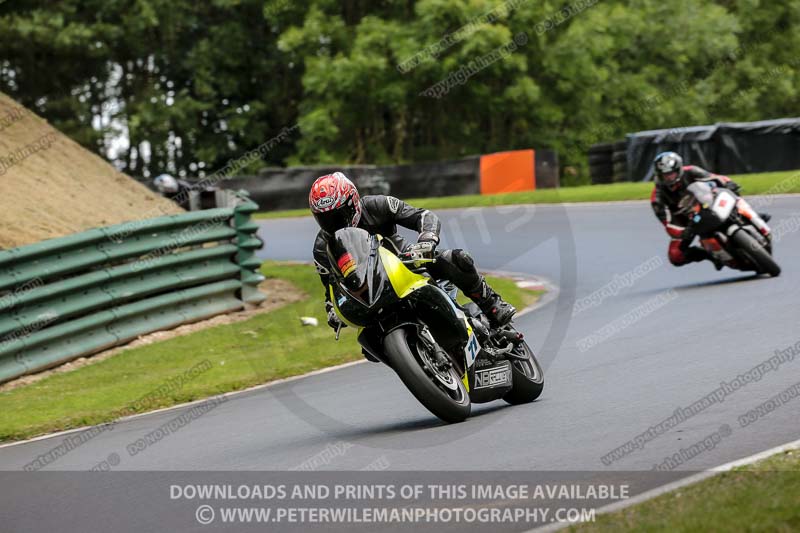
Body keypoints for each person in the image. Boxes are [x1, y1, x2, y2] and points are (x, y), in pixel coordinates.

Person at [309, 172, 516, 336]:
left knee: (457, 259)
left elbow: (423, 216)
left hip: (408, 263)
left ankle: (493, 306)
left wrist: (426, 240)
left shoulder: (376, 205)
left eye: (337, 216)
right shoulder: (321, 247)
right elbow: (330, 288)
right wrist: (332, 310)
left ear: (352, 202)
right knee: (368, 344)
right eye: (324, 219)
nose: (333, 224)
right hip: (371, 292)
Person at [650, 151, 770, 268]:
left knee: (733, 195)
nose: (669, 178)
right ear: (659, 175)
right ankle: (711, 256)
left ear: (679, 169)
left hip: (706, 204)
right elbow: (668, 223)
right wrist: (683, 232)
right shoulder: (657, 198)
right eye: (665, 175)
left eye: (671, 173)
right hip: (688, 223)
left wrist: (728, 183)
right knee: (675, 255)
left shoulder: (691, 171)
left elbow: (714, 178)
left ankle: (752, 217)